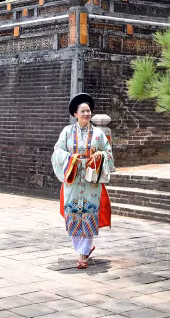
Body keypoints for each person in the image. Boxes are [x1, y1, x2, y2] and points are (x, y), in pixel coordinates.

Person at [52, 93, 113, 269]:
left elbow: (108, 153)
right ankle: (81, 249)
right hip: (73, 179)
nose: (86, 114)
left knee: (88, 213)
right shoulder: (67, 132)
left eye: (88, 111)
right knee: (73, 214)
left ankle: (83, 255)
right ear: (75, 114)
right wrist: (71, 159)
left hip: (91, 181)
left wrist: (99, 155)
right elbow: (58, 152)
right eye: (83, 111)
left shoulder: (99, 134)